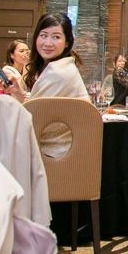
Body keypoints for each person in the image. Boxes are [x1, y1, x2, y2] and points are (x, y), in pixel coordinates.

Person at [8, 12, 88, 156]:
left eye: (56, 37)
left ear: (67, 42)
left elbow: (34, 119)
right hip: (59, 150)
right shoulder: (61, 65)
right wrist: (20, 93)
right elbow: (42, 107)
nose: (48, 43)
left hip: (51, 153)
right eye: (43, 35)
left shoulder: (58, 72)